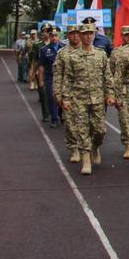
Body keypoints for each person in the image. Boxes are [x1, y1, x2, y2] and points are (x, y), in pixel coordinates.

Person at [58, 24, 114, 175]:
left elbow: (107, 76)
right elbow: (68, 79)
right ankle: (86, 159)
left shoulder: (101, 55)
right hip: (79, 99)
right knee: (82, 130)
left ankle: (95, 147)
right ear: (81, 36)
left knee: (100, 130)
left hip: (97, 98)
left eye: (91, 33)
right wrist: (66, 98)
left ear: (94, 34)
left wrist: (110, 94)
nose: (88, 36)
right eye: (85, 34)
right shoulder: (72, 56)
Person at [110, 25, 129, 164]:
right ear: (122, 36)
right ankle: (128, 145)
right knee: (125, 119)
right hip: (124, 90)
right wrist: (114, 93)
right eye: (126, 35)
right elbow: (112, 73)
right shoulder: (117, 52)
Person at [54, 25, 82, 162]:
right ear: (68, 35)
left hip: (88, 93)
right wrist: (57, 93)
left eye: (77, 33)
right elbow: (58, 74)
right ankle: (74, 149)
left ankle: (90, 147)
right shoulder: (62, 53)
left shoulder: (91, 51)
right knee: (70, 123)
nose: (75, 36)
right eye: (72, 34)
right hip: (69, 93)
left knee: (92, 125)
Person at [38, 27, 63, 128]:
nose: (54, 38)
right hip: (50, 77)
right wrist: (40, 80)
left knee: (63, 97)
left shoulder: (64, 48)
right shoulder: (44, 50)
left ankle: (60, 115)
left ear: (59, 36)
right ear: (49, 36)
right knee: (52, 98)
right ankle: (54, 119)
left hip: (63, 77)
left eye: (56, 35)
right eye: (52, 36)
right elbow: (41, 66)